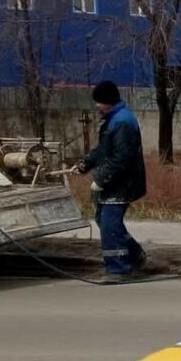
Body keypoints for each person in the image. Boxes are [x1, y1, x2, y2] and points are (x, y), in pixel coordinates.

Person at [75, 80, 147, 280]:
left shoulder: (122, 122)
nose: (96, 106)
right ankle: (135, 255)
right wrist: (86, 163)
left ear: (107, 101)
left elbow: (121, 158)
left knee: (109, 224)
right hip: (116, 182)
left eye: (98, 102)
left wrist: (101, 179)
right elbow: (104, 151)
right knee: (103, 220)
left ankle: (119, 269)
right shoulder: (114, 119)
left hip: (121, 184)